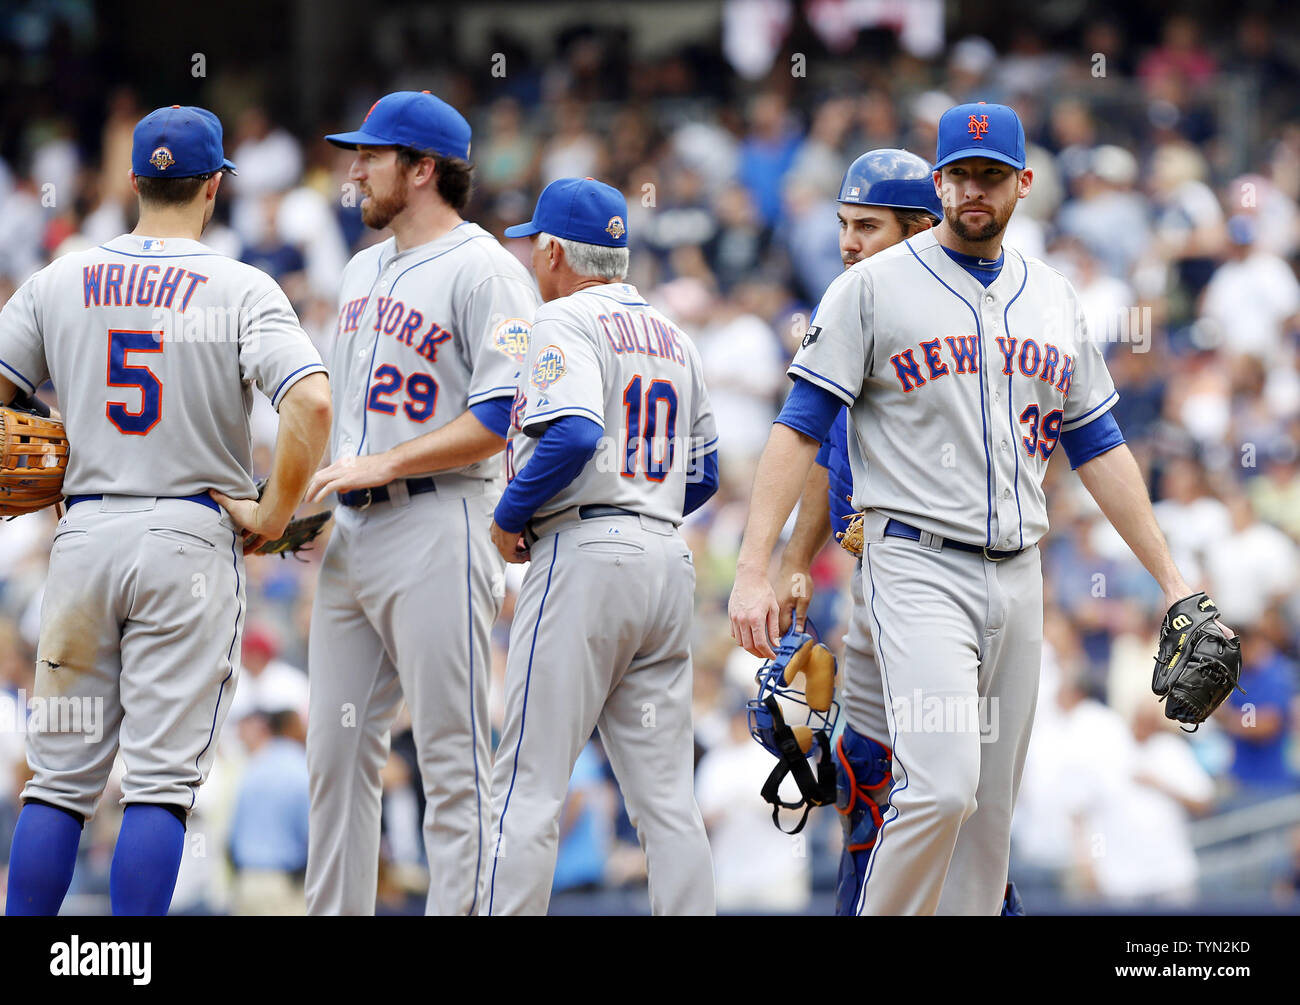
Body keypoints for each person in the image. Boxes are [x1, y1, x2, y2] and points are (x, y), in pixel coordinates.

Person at [727, 102, 1232, 915]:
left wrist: (1174, 581)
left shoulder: (1055, 297)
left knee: (988, 822)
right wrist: (760, 568)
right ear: (938, 181)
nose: (973, 190)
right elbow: (800, 430)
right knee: (940, 790)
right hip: (914, 560)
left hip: (1019, 573)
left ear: (1023, 183)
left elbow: (1099, 445)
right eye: (959, 174)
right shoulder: (870, 288)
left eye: (990, 176)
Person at [0, 105, 331, 915]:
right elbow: (313, 404)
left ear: (135, 180)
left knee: (59, 781)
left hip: (81, 537)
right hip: (188, 537)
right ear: (214, 186)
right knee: (157, 782)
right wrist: (271, 510)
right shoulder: (241, 283)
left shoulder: (60, 276)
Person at [302, 91, 539, 916]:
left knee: (453, 758)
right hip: (353, 533)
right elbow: (348, 416)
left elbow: (503, 413)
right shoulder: (361, 266)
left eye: (371, 155)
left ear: (424, 169)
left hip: (441, 520)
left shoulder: (491, 271)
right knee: (333, 756)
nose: (354, 169)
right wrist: (314, 496)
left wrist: (379, 463)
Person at [484, 178, 719, 915]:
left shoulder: (561, 319)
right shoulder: (672, 333)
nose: (529, 257)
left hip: (584, 556)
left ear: (554, 249)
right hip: (664, 561)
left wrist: (510, 514)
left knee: (526, 787)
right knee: (668, 803)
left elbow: (578, 428)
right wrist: (642, 506)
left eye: (533, 244)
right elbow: (706, 469)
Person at [770, 148, 941, 915]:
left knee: (935, 791)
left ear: (920, 230)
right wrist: (795, 560)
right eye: (843, 224)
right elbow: (818, 449)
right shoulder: (852, 309)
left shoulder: (950, 326)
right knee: (866, 780)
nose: (847, 242)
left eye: (866, 226)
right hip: (873, 581)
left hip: (940, 582)